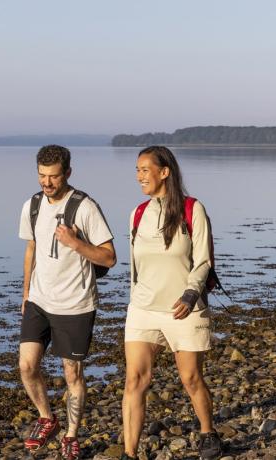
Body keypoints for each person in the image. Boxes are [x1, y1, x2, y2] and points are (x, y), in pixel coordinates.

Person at [120, 146, 222, 460]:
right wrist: (134, 300)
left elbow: (203, 260)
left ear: (165, 172)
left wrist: (192, 293)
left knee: (190, 378)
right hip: (143, 309)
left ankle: (207, 431)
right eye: (137, 170)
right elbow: (136, 267)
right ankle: (129, 452)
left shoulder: (193, 209)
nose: (139, 176)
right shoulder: (138, 213)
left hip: (184, 309)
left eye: (145, 170)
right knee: (135, 378)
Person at [18, 144, 117, 460]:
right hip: (38, 300)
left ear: (68, 173)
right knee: (27, 366)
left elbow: (110, 257)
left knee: (72, 374)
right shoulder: (32, 205)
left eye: (54, 177)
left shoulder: (85, 207)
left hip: (75, 303)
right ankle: (47, 417)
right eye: (42, 176)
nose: (47, 183)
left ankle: (71, 435)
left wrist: (75, 242)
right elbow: (31, 249)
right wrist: (25, 294)